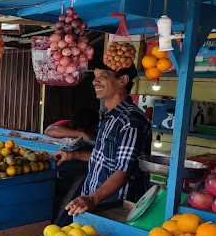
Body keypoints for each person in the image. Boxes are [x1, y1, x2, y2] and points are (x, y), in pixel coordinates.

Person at [54, 64, 151, 217]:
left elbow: (124, 170)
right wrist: (74, 155)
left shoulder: (131, 121)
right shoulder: (109, 116)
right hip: (99, 203)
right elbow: (107, 157)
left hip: (117, 207)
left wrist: (92, 199)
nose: (95, 82)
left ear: (123, 80)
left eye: (102, 77)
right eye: (95, 77)